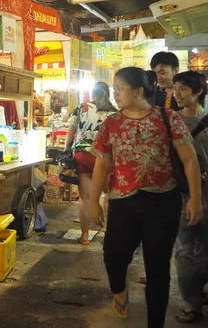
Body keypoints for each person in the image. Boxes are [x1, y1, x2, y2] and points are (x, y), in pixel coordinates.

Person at [89, 67, 203, 327]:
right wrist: (94, 201)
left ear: (138, 91)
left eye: (120, 89)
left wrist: (195, 198)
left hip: (164, 203)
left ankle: (155, 324)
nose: (115, 94)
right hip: (122, 201)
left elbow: (189, 160)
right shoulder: (111, 123)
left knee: (158, 268)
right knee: (113, 256)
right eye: (114, 89)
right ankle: (119, 292)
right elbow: (102, 166)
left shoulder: (168, 117)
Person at [172, 70, 208, 324]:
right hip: (182, 195)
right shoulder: (171, 122)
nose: (177, 94)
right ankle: (191, 302)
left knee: (205, 251)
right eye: (175, 89)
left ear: (198, 92)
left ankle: (196, 291)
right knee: (184, 250)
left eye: (183, 89)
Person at [65, 82, 116, 245]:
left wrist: (66, 149)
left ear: (92, 94)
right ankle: (108, 229)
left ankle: (85, 235)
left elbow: (71, 130)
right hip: (104, 156)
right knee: (108, 194)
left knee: (85, 197)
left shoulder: (81, 108)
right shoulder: (114, 112)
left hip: (82, 155)